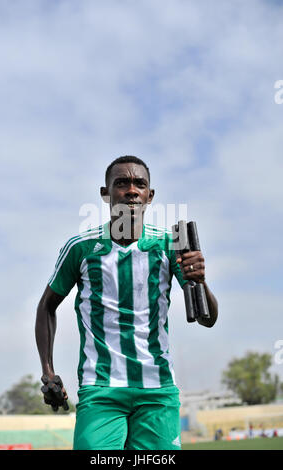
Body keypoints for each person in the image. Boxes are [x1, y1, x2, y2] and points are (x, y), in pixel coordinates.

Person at [35, 155, 218, 450]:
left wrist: (201, 280)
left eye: (139, 184)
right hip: (101, 389)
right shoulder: (81, 247)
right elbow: (47, 306)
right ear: (105, 193)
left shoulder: (169, 245)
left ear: (150, 196)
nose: (131, 190)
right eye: (121, 183)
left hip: (157, 390)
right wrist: (48, 372)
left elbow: (208, 318)